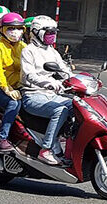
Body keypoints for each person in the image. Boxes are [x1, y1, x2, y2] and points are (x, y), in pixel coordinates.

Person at [20, 15, 73, 166]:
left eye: (54, 32)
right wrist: (48, 82)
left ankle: (67, 146)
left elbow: (64, 70)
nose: (52, 36)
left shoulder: (52, 51)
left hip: (51, 94)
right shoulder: (29, 51)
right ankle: (46, 149)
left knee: (77, 106)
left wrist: (78, 80)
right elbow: (29, 75)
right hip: (33, 95)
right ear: (37, 32)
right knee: (61, 110)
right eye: (49, 32)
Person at [0, 12, 26, 153]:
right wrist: (7, 89)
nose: (15, 32)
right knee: (13, 102)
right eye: (10, 28)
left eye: (19, 28)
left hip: (18, 86)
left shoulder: (23, 47)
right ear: (2, 30)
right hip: (1, 87)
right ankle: (2, 137)